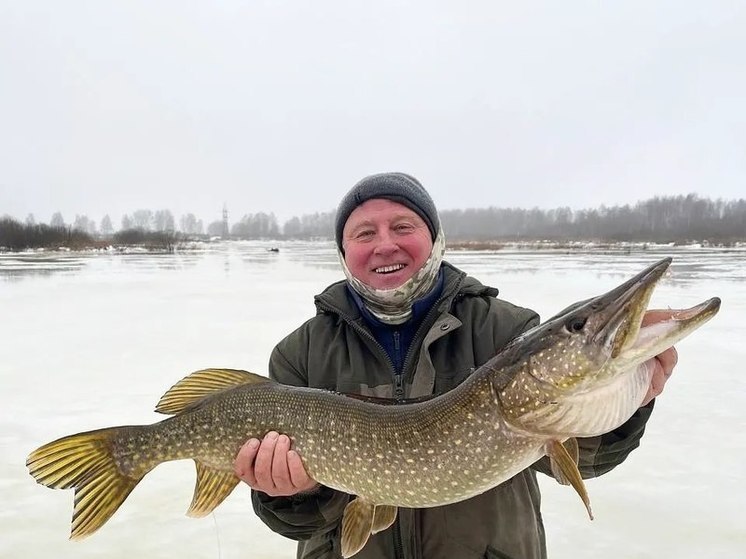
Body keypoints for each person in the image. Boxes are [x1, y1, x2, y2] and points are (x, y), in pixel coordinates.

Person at [233, 172, 678, 559]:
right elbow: (296, 523)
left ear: (433, 237)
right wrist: (291, 493)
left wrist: (627, 401)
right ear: (344, 250)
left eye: (402, 226)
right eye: (364, 233)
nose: (385, 244)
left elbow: (588, 460)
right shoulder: (301, 352)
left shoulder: (505, 329)